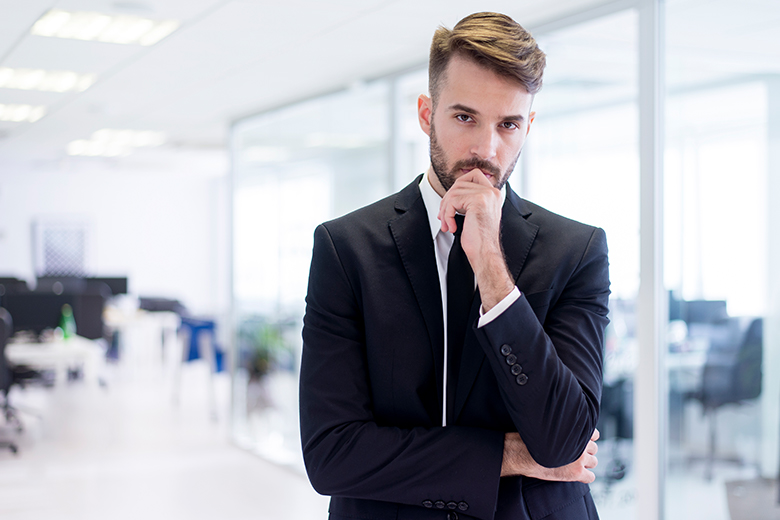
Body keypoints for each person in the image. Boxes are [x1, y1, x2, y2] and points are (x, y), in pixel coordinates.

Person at [300, 11, 610, 520]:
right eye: (465, 117)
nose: (487, 149)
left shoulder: (575, 251)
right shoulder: (345, 248)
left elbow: (561, 443)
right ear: (426, 114)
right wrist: (506, 456)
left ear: (528, 126)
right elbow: (332, 455)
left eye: (508, 124)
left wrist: (491, 265)